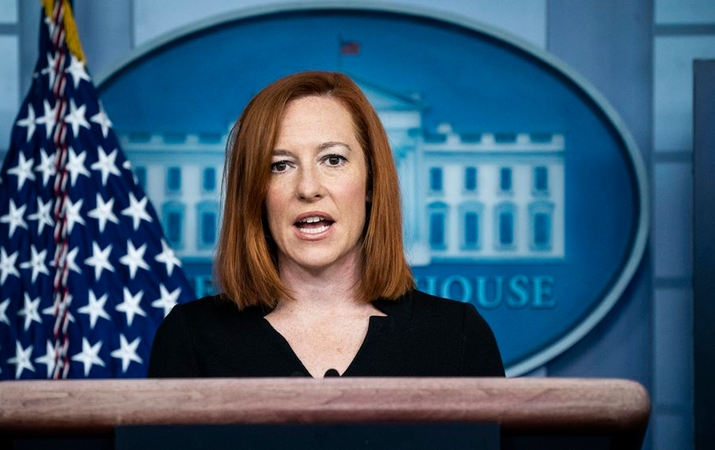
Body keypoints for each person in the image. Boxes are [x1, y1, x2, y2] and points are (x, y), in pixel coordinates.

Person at [148, 71, 504, 378]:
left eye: (333, 159)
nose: (308, 188)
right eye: (280, 165)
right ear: (255, 193)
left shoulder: (457, 336)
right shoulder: (190, 337)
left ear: (371, 182)